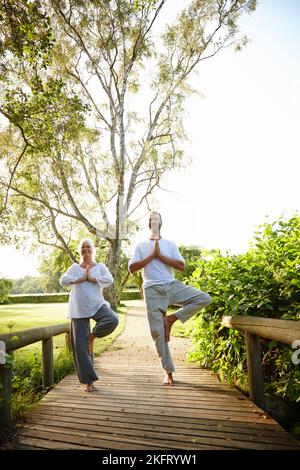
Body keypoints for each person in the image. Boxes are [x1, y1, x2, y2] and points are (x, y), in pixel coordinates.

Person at [128, 211, 212, 386]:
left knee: (204, 298)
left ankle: (171, 319)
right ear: (149, 223)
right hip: (152, 290)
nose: (154, 220)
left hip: (172, 285)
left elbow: (181, 266)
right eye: (151, 218)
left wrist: (161, 256)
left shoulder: (170, 244)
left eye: (157, 218)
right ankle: (168, 372)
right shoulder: (141, 246)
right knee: (157, 333)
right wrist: (152, 256)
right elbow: (132, 268)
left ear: (161, 222)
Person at [60, 239, 119, 392]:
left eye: (88, 247)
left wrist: (91, 278)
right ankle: (89, 381)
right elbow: (63, 281)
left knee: (112, 319)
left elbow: (109, 279)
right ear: (80, 251)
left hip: (97, 305)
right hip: (78, 309)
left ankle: (92, 336)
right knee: (81, 348)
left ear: (93, 250)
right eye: (83, 247)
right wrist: (80, 279)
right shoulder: (74, 267)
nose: (86, 249)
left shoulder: (100, 267)